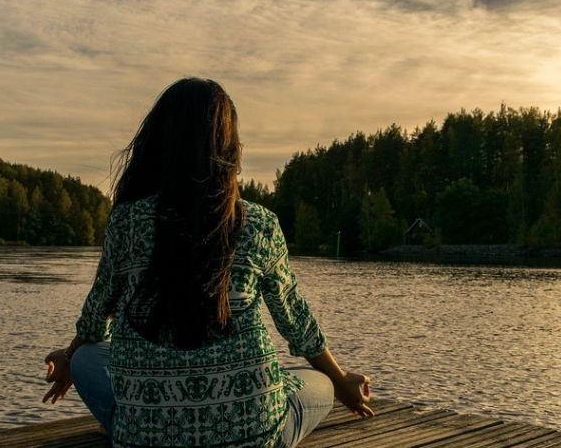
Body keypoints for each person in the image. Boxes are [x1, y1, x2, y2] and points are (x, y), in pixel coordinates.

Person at [42, 77, 373, 448]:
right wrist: (341, 379)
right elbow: (295, 322)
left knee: (89, 356)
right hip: (253, 436)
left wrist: (70, 355)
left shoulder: (126, 222)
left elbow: (96, 316)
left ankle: (139, 421)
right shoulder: (259, 224)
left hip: (148, 438)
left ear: (159, 144)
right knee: (320, 383)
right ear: (230, 148)